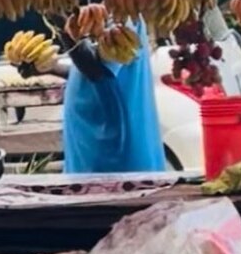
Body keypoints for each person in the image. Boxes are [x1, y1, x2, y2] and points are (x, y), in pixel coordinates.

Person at [25, 19, 166, 175]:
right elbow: (87, 72)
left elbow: (98, 71)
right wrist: (52, 68)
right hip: (85, 146)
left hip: (112, 154)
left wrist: (64, 31)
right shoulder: (95, 17)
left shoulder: (123, 18)